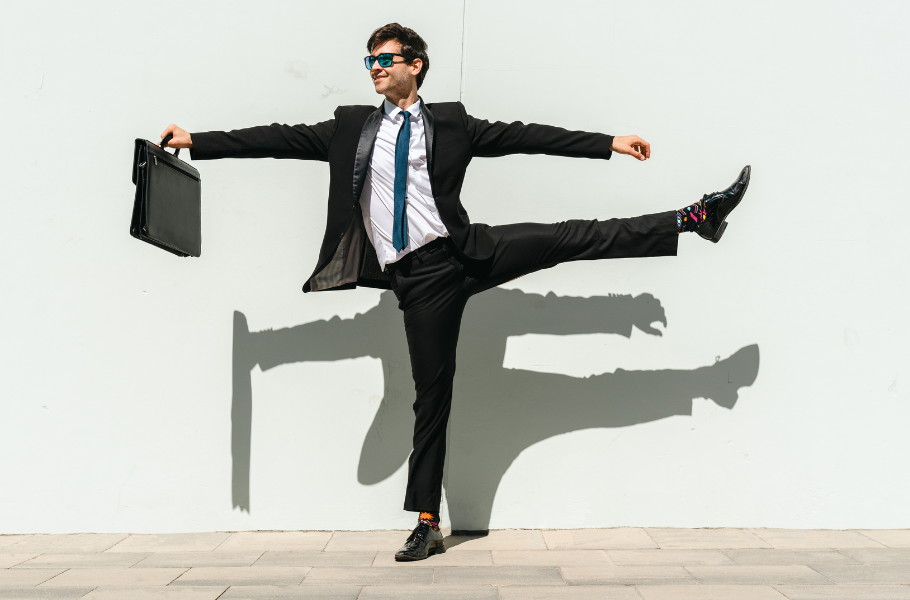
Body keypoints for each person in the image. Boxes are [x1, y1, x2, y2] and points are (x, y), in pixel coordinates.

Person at [161, 22, 750, 561]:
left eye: (384, 58)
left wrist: (606, 142)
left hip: (469, 250)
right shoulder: (349, 128)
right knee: (432, 396)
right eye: (368, 59)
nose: (373, 67)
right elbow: (279, 138)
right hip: (420, 283)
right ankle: (426, 521)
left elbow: (526, 136)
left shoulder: (451, 122)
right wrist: (197, 141)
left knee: (572, 236)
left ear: (415, 65)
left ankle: (695, 217)